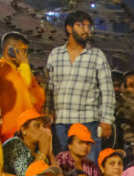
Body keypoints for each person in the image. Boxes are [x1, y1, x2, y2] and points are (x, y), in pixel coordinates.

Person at [46, 11, 114, 158]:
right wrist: (46, 117)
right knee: (63, 165)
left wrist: (107, 121)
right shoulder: (55, 55)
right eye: (80, 25)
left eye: (88, 26)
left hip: (87, 121)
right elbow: (49, 90)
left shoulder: (96, 55)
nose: (85, 30)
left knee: (88, 168)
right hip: (60, 123)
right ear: (69, 29)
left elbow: (107, 91)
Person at [0, 31, 46, 140]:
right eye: (23, 50)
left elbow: (37, 95)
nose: (25, 55)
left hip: (23, 128)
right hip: (10, 129)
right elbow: (25, 90)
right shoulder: (1, 70)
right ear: (10, 50)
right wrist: (24, 65)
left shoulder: (18, 70)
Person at [2, 109, 53, 176]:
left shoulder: (38, 148)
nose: (43, 129)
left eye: (43, 126)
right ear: (23, 130)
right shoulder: (14, 145)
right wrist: (43, 152)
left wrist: (50, 152)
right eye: (37, 126)